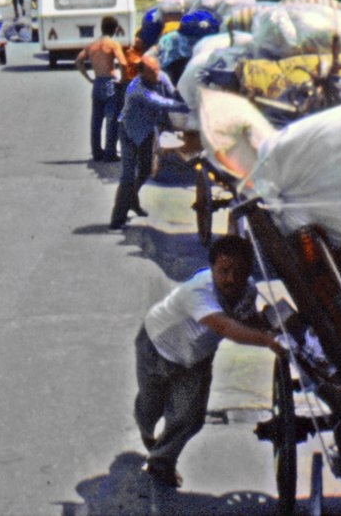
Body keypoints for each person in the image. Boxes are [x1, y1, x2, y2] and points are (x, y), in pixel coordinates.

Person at [134, 234, 285, 488]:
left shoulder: (247, 290)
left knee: (189, 418)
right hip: (156, 348)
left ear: (249, 271)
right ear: (212, 268)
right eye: (224, 271)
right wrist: (267, 341)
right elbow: (225, 327)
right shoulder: (199, 290)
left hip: (195, 359)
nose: (231, 279)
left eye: (239, 272)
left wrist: (279, 323)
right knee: (150, 408)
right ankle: (147, 431)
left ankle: (161, 461)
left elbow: (246, 320)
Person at [109, 54, 187, 230]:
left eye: (157, 69)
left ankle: (132, 201)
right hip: (129, 131)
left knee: (145, 170)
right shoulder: (137, 89)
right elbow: (163, 102)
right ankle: (118, 218)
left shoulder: (162, 77)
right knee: (128, 175)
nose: (157, 74)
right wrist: (188, 107)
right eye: (152, 72)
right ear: (143, 73)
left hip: (146, 131)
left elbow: (172, 93)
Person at [74, 15, 128, 162]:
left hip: (97, 82)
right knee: (112, 118)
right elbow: (123, 63)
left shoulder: (92, 45)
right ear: (115, 29)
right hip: (110, 82)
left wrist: (89, 78)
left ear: (102, 28)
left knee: (96, 119)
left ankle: (96, 152)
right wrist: (122, 80)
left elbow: (78, 60)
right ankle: (110, 152)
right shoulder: (113, 44)